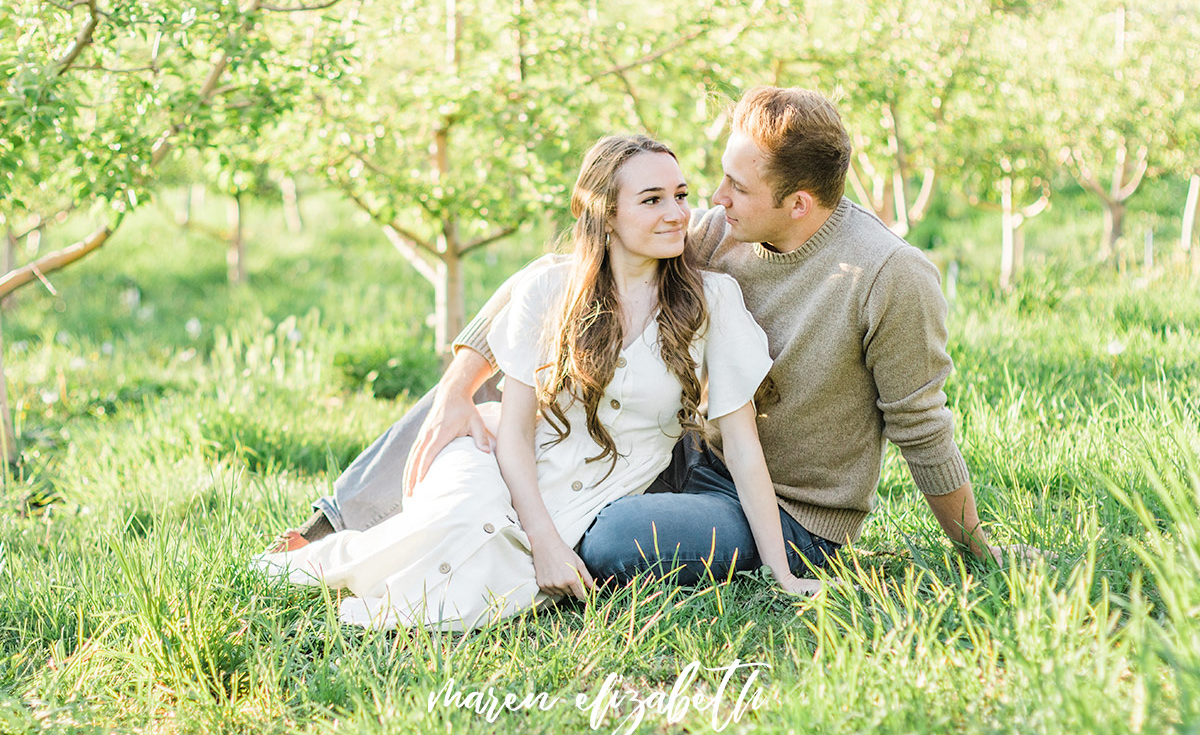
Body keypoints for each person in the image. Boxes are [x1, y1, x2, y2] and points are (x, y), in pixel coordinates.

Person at [273, 88, 1002, 588]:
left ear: (799, 202)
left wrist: (978, 548)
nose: (711, 200)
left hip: (785, 507)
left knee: (615, 538)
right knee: (467, 400)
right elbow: (557, 278)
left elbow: (923, 426)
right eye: (713, 180)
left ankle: (513, 544)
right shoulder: (726, 230)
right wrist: (463, 378)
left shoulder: (891, 276)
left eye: (734, 187)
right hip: (678, 454)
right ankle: (330, 525)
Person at [253, 135, 816, 631]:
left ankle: (362, 571)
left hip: (595, 495)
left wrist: (783, 573)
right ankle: (316, 561)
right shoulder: (549, 291)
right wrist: (545, 542)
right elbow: (516, 435)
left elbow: (742, 446)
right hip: (501, 461)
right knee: (459, 521)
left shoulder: (711, 301)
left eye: (681, 195)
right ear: (605, 214)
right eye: (652, 200)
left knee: (497, 588)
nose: (676, 214)